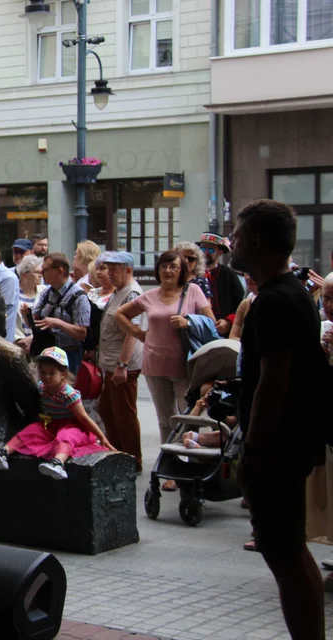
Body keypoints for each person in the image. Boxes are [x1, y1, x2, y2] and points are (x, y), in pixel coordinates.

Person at [227, 200, 327, 639]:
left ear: (254, 241)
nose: (230, 240)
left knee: (283, 553)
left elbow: (273, 383)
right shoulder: (294, 294)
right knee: (289, 549)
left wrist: (254, 450)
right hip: (292, 442)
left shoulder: (272, 303)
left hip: (278, 448)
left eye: (236, 233)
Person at [115, 250, 214, 491]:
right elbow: (120, 314)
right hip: (155, 365)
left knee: (189, 417)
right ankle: (170, 470)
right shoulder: (150, 296)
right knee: (165, 420)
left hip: (185, 366)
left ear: (182, 271)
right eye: (164, 266)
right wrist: (140, 335)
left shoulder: (193, 292)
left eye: (174, 267)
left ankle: (192, 465)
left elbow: (211, 322)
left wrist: (188, 322)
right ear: (157, 270)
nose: (168, 271)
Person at [0, 346, 114, 480]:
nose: (46, 376)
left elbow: (84, 418)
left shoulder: (67, 394)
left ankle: (58, 462)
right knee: (31, 430)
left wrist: (102, 437)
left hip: (74, 427)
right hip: (53, 425)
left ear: (62, 374)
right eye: (43, 372)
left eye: (51, 373)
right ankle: (4, 452)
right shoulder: (42, 387)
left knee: (64, 436)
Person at [96, 252, 145, 470]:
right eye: (108, 267)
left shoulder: (132, 293)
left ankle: (132, 459)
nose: (109, 272)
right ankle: (117, 453)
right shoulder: (121, 291)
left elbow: (132, 333)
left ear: (128, 270)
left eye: (114, 268)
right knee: (107, 409)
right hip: (112, 364)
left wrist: (122, 365)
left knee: (123, 414)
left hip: (122, 366)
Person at [20, 253, 90, 374]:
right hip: (47, 352)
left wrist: (58, 323)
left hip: (69, 355)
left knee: (65, 390)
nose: (41, 272)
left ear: (59, 271)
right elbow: (36, 323)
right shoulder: (47, 292)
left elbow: (82, 333)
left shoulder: (78, 296)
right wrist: (27, 315)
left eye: (45, 269)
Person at [199, 232, 246, 337]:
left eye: (210, 249)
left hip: (224, 333)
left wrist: (229, 321)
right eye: (202, 249)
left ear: (220, 252)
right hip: (199, 331)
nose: (205, 253)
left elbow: (240, 304)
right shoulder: (192, 274)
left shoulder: (228, 274)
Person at [14, 255, 45, 341]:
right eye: (37, 272)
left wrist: (33, 338)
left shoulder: (45, 292)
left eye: (41, 272)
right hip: (17, 343)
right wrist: (20, 340)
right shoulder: (13, 292)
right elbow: (9, 321)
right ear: (24, 275)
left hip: (38, 342)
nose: (41, 275)